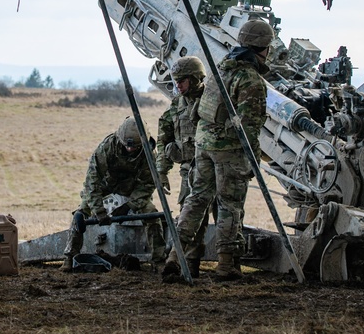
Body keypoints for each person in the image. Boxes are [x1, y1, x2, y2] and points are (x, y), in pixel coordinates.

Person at [163, 18, 273, 281]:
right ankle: (226, 266)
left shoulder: (220, 69)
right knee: (229, 205)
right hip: (229, 151)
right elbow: (250, 127)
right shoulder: (251, 80)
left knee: (196, 200)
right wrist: (253, 159)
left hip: (203, 145)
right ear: (263, 47)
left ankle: (174, 258)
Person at [61, 117, 166, 271]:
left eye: (134, 147)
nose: (130, 149)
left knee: (152, 215)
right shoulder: (106, 148)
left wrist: (130, 205)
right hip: (106, 184)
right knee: (79, 215)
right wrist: (98, 211)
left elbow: (148, 184)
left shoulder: (150, 154)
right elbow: (92, 181)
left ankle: (159, 262)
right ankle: (69, 258)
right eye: (127, 146)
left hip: (132, 187)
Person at [156, 56, 212, 275]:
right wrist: (162, 170)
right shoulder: (177, 104)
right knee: (190, 218)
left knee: (226, 215)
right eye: (175, 80)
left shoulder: (211, 100)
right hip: (189, 170)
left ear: (196, 78)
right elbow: (164, 138)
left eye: (182, 80)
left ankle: (229, 264)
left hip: (216, 169)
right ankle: (190, 266)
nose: (177, 85)